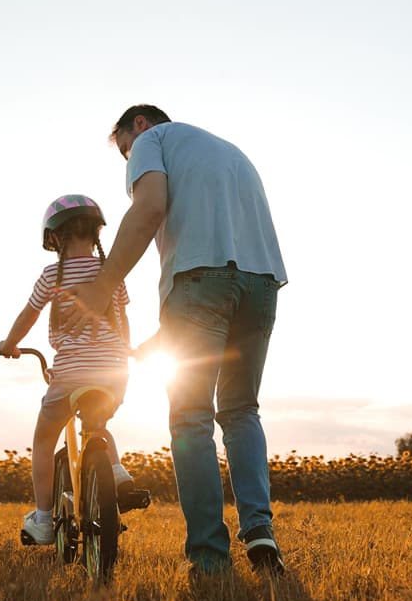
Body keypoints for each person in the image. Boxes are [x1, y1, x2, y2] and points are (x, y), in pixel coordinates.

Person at [62, 106, 288, 575]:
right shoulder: (229, 153)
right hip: (263, 282)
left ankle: (208, 555)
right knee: (242, 409)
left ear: (139, 125)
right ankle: (260, 530)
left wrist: (103, 286)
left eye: (124, 149)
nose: (129, 160)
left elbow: (149, 211)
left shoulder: (152, 141)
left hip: (199, 283)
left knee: (191, 419)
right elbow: (226, 268)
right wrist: (160, 340)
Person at [0, 194, 145, 546]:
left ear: (56, 238)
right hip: (114, 372)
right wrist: (125, 351)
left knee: (44, 440)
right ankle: (116, 470)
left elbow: (28, 315)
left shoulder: (52, 275)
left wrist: (9, 344)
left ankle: (44, 519)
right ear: (95, 234)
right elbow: (123, 320)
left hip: (69, 374)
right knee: (98, 423)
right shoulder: (111, 274)